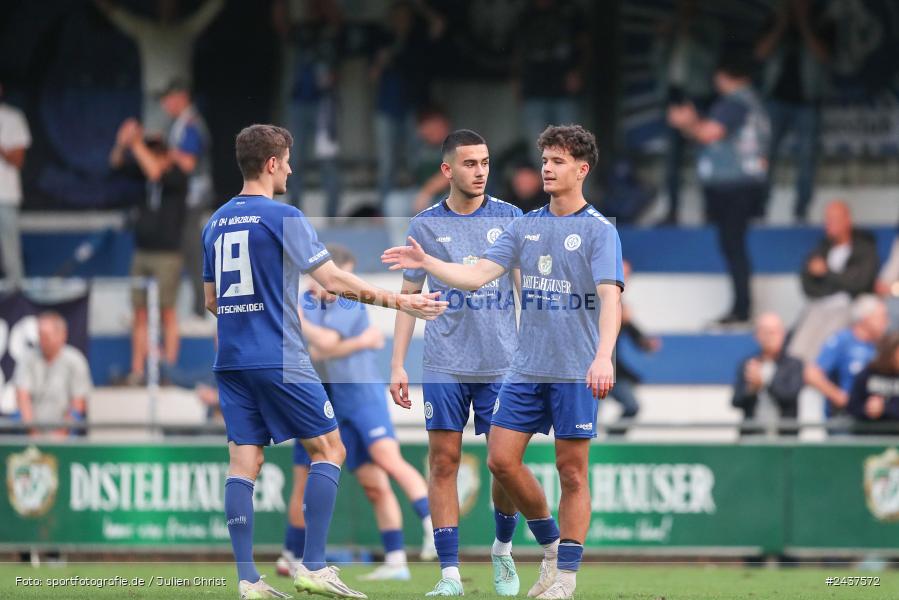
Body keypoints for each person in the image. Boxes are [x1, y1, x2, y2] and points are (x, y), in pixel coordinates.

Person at [202, 124, 445, 599]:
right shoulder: (284, 216)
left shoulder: (215, 222)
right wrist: (403, 303)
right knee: (330, 451)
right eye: (288, 160)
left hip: (231, 360)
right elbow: (333, 279)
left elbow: (212, 300)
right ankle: (313, 565)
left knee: (242, 464)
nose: (291, 169)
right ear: (271, 163)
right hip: (280, 357)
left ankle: (248, 580)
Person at [384, 124, 623, 599]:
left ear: (582, 169)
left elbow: (610, 298)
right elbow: (474, 277)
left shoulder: (599, 231)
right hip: (524, 368)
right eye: (546, 160)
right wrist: (428, 263)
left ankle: (565, 578)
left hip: (574, 368)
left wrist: (603, 356)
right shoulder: (525, 224)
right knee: (499, 461)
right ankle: (550, 547)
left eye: (557, 162)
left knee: (572, 472)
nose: (547, 169)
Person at [390, 129, 522, 596]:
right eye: (470, 163)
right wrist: (398, 364)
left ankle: (503, 550)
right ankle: (448, 574)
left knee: (504, 465)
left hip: (502, 364)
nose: (481, 171)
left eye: (485, 162)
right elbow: (409, 298)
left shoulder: (510, 217)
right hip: (445, 361)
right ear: (447, 170)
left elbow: (524, 290)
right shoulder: (424, 225)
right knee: (443, 462)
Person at [278, 244, 435, 582]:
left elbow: (328, 345)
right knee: (368, 482)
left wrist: (310, 329)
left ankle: (432, 528)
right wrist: (362, 342)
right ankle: (392, 560)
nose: (339, 286)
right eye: (335, 278)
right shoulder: (310, 302)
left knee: (387, 460)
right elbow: (321, 348)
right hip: (330, 402)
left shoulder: (346, 301)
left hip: (361, 396)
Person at [668, 56, 770, 325]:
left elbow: (710, 134)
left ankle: (741, 309)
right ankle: (741, 307)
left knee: (733, 246)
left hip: (734, 187)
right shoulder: (753, 101)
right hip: (744, 185)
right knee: (732, 245)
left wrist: (687, 122)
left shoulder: (734, 102)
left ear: (724, 76)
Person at [109, 119, 187, 383]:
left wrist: (136, 142)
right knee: (139, 312)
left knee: (167, 311)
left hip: (167, 253)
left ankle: (169, 368)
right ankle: (138, 369)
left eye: (154, 152)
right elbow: (116, 165)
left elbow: (155, 171)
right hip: (142, 251)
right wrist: (123, 144)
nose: (147, 157)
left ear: (165, 154)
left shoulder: (177, 175)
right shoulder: (143, 174)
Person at [755, 0, 834, 222]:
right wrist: (781, 24)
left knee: (807, 157)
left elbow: (824, 56)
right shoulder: (774, 20)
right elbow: (760, 53)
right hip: (776, 101)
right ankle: (759, 207)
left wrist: (803, 24)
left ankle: (801, 210)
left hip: (807, 102)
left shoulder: (822, 23)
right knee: (765, 155)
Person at [94, 0, 224, 133]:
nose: (167, 5)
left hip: (181, 102)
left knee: (185, 149)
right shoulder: (145, 30)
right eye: (163, 3)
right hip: (155, 100)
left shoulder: (186, 29)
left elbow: (211, 10)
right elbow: (114, 13)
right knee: (154, 148)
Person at [371, 0, 446, 208]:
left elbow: (439, 24)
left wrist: (420, 6)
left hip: (413, 108)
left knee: (415, 160)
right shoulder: (383, 38)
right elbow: (373, 76)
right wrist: (381, 61)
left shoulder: (418, 39)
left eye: (405, 16)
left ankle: (418, 204)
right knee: (387, 162)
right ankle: (384, 210)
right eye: (398, 16)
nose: (401, 21)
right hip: (387, 108)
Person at [654, 0, 721, 224]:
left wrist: (689, 34)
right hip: (673, 96)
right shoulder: (670, 25)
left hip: (698, 97)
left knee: (704, 157)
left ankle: (710, 212)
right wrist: (664, 37)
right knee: (672, 159)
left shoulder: (708, 26)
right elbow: (655, 62)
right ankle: (672, 211)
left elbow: (711, 61)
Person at [788, 200, 879, 362]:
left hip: (851, 306)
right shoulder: (820, 249)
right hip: (820, 305)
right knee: (798, 348)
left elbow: (860, 283)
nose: (829, 225)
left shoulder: (865, 249)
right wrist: (839, 281)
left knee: (827, 340)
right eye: (827, 220)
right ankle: (796, 373)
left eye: (834, 220)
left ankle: (819, 370)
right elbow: (808, 286)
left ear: (847, 220)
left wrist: (827, 274)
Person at [278, 0, 345, 217]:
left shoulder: (333, 32)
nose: (313, 8)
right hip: (299, 101)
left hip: (324, 105)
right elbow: (282, 28)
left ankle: (332, 216)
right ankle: (295, 214)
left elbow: (339, 21)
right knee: (293, 159)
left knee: (328, 161)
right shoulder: (301, 30)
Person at [159, 80, 213, 318]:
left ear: (181, 97)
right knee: (183, 248)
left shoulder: (191, 125)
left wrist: (166, 151)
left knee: (192, 249)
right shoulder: (176, 124)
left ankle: (202, 304)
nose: (164, 104)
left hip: (194, 197)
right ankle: (192, 303)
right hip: (181, 199)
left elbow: (188, 163)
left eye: (168, 98)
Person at [515, 0, 589, 164]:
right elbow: (517, 54)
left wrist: (579, 73)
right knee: (539, 151)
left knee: (571, 149)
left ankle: (569, 189)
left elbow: (586, 46)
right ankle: (546, 189)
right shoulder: (526, 15)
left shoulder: (570, 11)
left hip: (565, 92)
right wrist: (517, 86)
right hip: (533, 91)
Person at [805, 295, 889, 423]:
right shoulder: (842, 341)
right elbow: (811, 373)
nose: (886, 322)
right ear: (866, 319)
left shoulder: (883, 346)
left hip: (877, 419)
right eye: (882, 317)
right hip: (846, 419)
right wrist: (839, 397)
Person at [14, 312, 92, 437]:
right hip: (30, 430)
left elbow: (79, 403)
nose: (42, 340)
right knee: (16, 419)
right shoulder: (27, 359)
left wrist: (61, 434)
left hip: (66, 431)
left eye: (46, 336)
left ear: (62, 335)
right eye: (40, 335)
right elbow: (22, 397)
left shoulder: (76, 360)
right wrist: (32, 431)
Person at [382, 107, 452, 245]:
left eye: (436, 125)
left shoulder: (457, 144)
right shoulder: (419, 147)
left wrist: (426, 192)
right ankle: (404, 252)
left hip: (450, 197)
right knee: (395, 201)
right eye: (427, 126)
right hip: (422, 197)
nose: (431, 130)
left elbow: (451, 173)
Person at [732, 312, 804, 437]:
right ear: (757, 335)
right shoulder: (748, 364)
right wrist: (751, 390)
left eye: (773, 332)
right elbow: (736, 401)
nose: (769, 337)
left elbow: (789, 397)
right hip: (753, 437)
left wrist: (764, 382)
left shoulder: (793, 365)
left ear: (783, 334)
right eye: (765, 332)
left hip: (784, 438)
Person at [608, 260, 660, 433]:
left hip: (613, 371)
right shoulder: (591, 299)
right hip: (588, 371)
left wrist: (646, 343)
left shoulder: (620, 306)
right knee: (589, 416)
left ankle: (612, 442)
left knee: (632, 406)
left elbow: (633, 332)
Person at [0, 81, 31, 289]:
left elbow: (19, 160)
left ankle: (16, 307)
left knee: (11, 256)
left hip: (5, 197)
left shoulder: (13, 117)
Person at [848, 332, 899, 435]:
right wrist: (867, 409)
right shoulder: (867, 374)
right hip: (868, 438)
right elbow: (852, 406)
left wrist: (885, 409)